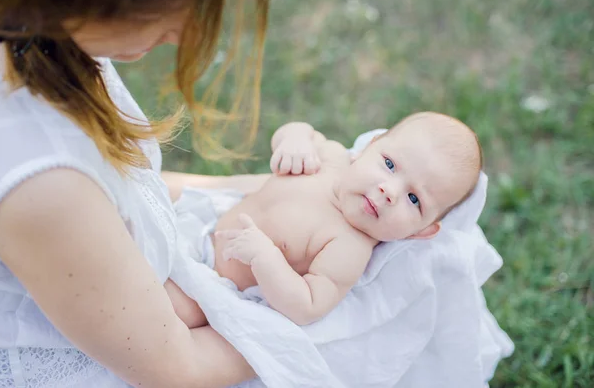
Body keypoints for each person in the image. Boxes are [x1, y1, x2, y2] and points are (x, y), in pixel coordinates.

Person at [0, 0, 273, 387]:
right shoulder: (43, 183)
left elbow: (125, 192)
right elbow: (177, 369)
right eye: (162, 6)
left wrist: (247, 188)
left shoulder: (51, 35)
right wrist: (320, 326)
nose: (182, 34)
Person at [165, 112, 483, 327]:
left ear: (422, 230)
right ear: (369, 148)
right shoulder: (331, 159)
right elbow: (300, 129)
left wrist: (267, 257)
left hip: (213, 281)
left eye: (414, 199)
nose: (390, 191)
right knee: (141, 205)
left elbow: (308, 306)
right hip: (204, 222)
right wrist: (294, 141)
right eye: (389, 165)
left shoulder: (348, 247)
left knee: (167, 309)